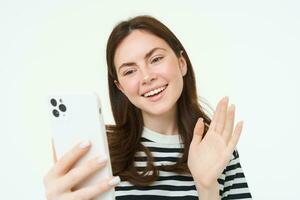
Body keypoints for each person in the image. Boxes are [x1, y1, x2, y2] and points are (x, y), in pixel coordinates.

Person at [43, 15, 252, 200]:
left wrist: (207, 189)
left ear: (182, 63)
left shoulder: (217, 147)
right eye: (129, 71)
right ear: (121, 88)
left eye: (156, 59)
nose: (146, 77)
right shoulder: (100, 153)